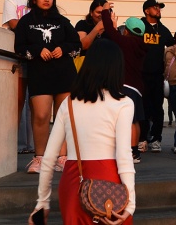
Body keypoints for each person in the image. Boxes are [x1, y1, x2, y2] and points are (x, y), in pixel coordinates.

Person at [30, 39, 135, 225]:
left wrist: (42, 203)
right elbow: (124, 155)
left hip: (73, 180)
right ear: (116, 68)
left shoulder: (69, 103)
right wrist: (130, 204)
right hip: (109, 181)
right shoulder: (124, 103)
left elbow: (48, 158)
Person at [15, 0, 81, 174]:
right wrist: (37, 50)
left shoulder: (62, 21)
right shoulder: (25, 22)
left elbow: (76, 43)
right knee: (41, 116)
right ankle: (40, 158)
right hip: (40, 74)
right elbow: (19, 46)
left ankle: (62, 157)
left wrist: (64, 49)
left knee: (64, 118)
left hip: (65, 74)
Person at [3, 0, 47, 155]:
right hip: (20, 54)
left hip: (40, 57)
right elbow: (13, 23)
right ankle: (14, 144)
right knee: (18, 101)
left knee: (38, 102)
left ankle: (36, 147)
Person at [100, 2, 149, 164]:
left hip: (125, 85)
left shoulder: (125, 42)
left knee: (125, 120)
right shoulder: (142, 45)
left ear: (126, 30)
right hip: (138, 88)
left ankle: (128, 152)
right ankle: (135, 152)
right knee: (135, 120)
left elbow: (109, 30)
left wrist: (106, 11)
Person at [140, 0, 175, 153]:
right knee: (142, 108)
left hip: (157, 76)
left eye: (159, 8)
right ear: (147, 10)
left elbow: (174, 45)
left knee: (157, 109)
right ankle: (142, 138)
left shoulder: (163, 29)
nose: (158, 10)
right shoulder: (139, 26)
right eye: (155, 7)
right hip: (141, 75)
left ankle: (156, 139)